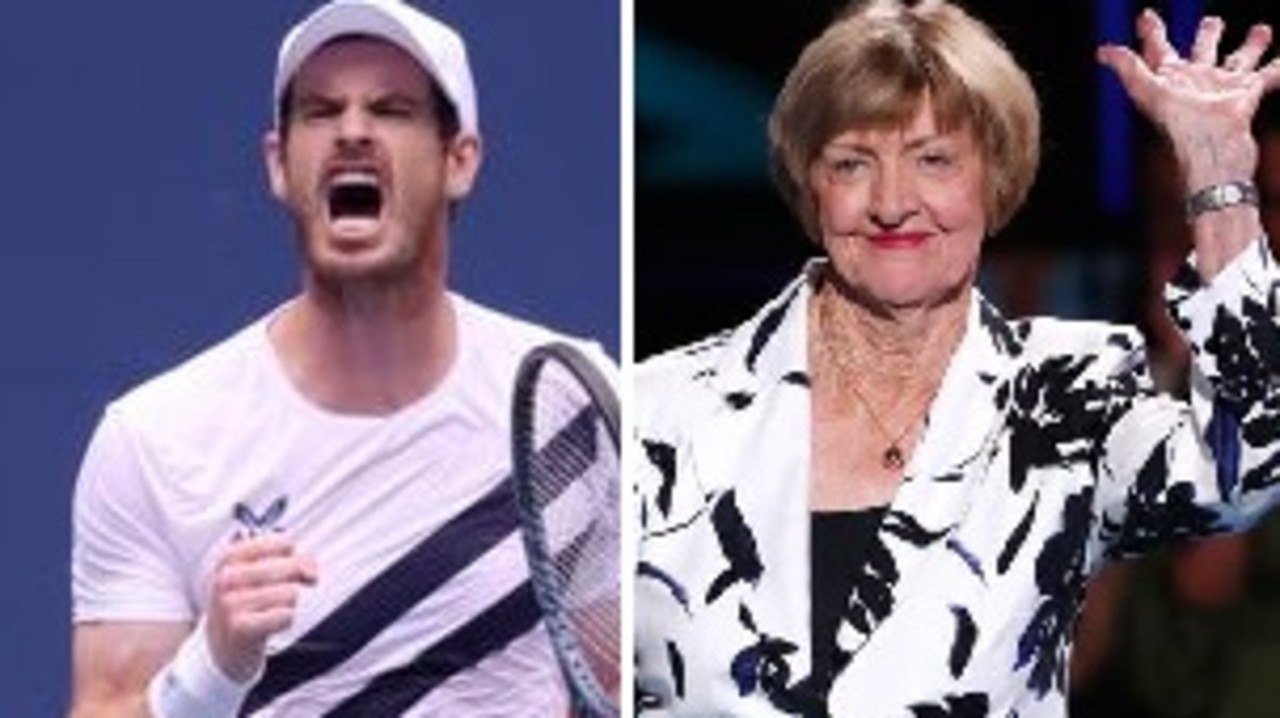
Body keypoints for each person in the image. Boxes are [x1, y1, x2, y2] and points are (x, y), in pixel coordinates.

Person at [632, 0, 1280, 715]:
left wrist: (1218, 176)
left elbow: (1241, 471)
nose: (892, 202)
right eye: (852, 163)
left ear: (994, 180)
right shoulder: (658, 416)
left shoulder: (1066, 399)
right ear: (809, 186)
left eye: (934, 160)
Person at [67, 0, 614, 715]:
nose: (353, 131)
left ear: (460, 160)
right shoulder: (152, 441)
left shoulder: (575, 402)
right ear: (278, 164)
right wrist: (212, 669)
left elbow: (614, 678)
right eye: (322, 111)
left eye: (391, 109)